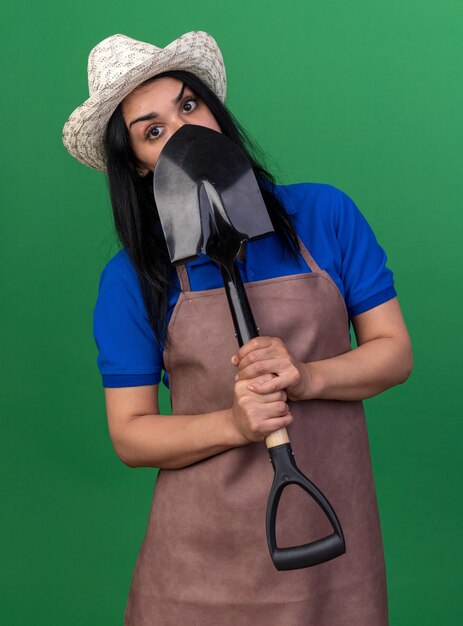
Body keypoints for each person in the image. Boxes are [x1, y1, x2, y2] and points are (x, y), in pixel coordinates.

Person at [63, 31, 412, 625]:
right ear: (141, 168)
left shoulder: (323, 215)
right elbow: (130, 434)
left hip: (331, 549)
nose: (183, 132)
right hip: (196, 572)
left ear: (216, 111)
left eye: (188, 105)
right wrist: (232, 422)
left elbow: (393, 352)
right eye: (153, 130)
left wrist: (304, 378)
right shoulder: (133, 279)